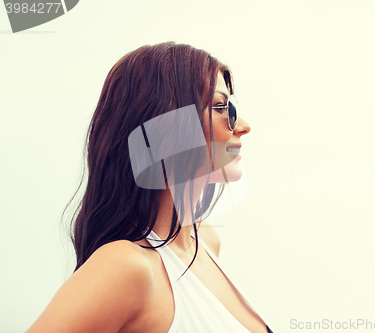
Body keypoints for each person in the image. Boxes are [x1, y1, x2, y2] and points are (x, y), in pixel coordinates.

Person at [26, 42, 274, 333]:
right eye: (220, 107)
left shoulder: (205, 241)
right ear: (166, 126)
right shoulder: (126, 265)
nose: (242, 125)